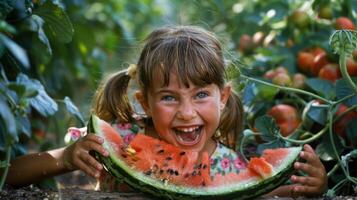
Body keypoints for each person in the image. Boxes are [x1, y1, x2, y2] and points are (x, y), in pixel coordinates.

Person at [3, 26, 327, 197]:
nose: (187, 113)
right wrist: (65, 156)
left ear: (223, 97)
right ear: (145, 103)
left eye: (201, 94)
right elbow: (9, 174)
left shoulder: (232, 165)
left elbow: (277, 191)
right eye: (169, 98)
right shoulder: (122, 142)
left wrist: (314, 186)